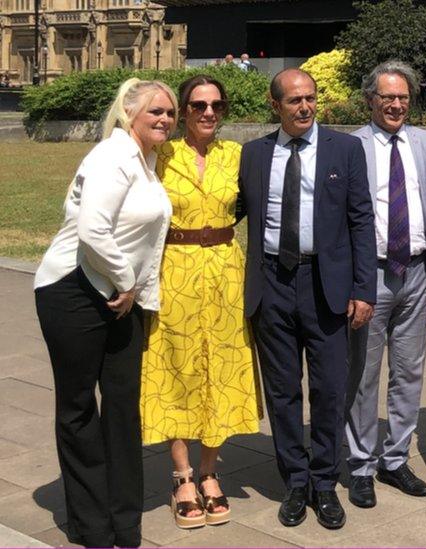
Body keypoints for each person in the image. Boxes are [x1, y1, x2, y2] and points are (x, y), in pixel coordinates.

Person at [33, 78, 176, 547]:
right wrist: (128, 281)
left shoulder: (147, 162)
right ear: (129, 113)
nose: (165, 118)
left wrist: (133, 291)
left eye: (170, 112)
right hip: (73, 291)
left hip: (120, 296)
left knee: (121, 408)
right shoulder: (112, 157)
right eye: (156, 110)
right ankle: (91, 526)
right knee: (78, 409)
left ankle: (124, 523)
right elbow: (94, 231)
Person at [237, 68, 376, 530]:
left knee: (329, 389)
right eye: (294, 100)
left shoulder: (345, 149)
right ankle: (295, 481)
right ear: (275, 105)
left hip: (327, 285)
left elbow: (361, 221)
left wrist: (363, 289)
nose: (304, 107)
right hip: (273, 282)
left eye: (310, 99)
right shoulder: (254, 155)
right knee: (282, 391)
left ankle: (324, 482)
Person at [141, 75, 260, 529]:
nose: (207, 113)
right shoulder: (159, 154)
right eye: (196, 105)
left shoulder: (236, 155)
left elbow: (247, 205)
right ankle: (182, 477)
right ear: (182, 111)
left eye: (215, 105)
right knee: (177, 368)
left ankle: (210, 471)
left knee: (222, 369)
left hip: (226, 274)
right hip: (175, 272)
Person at [345, 61, 426, 508]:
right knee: (363, 375)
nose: (397, 104)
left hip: (416, 272)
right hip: (371, 275)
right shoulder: (349, 147)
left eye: (403, 97)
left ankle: (396, 458)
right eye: (388, 97)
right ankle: (361, 463)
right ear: (371, 100)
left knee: (409, 372)